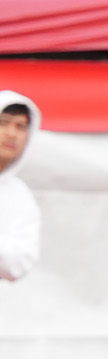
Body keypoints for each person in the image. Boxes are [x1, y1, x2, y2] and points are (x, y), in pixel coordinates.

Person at [0, 88, 36, 282]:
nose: (11, 133)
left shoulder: (19, 194)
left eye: (20, 126)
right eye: (3, 123)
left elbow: (21, 261)